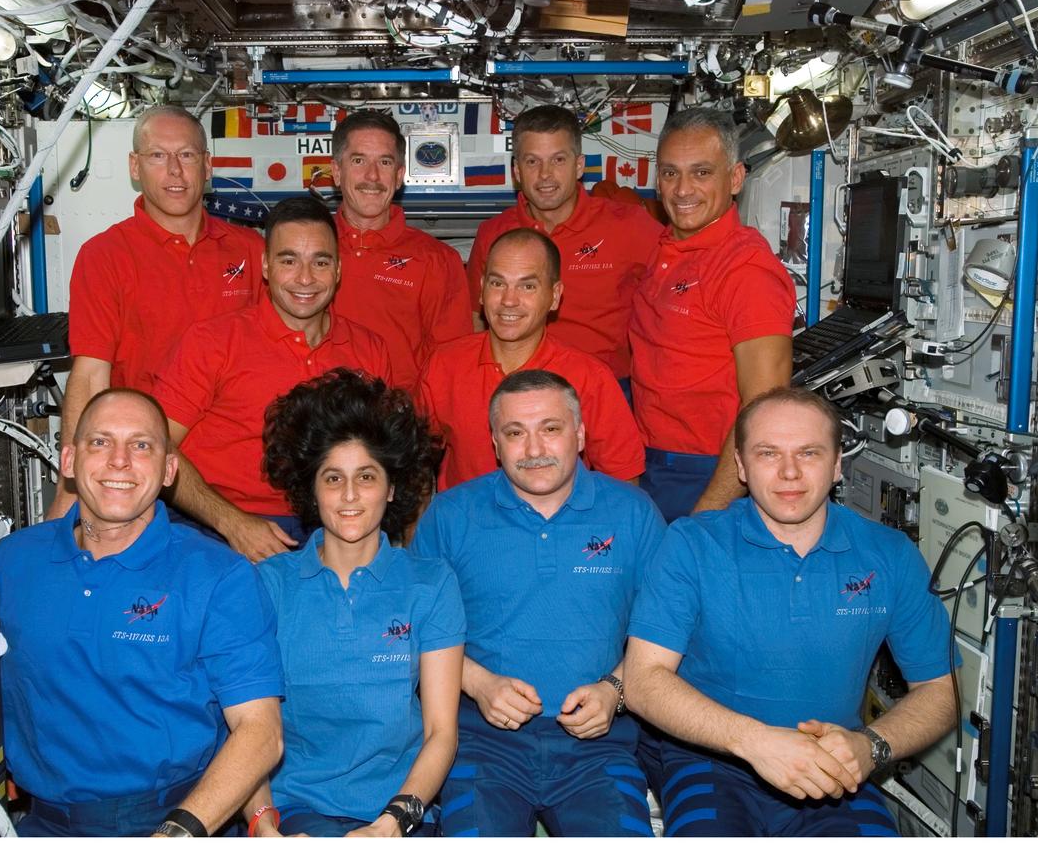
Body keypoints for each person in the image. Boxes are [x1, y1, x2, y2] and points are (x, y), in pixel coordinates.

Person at [0, 389, 283, 837]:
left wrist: (175, 835)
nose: (119, 461)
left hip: (180, 819)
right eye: (100, 442)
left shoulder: (219, 576)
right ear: (67, 462)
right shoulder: (13, 560)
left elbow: (260, 733)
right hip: (40, 825)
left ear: (169, 470)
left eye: (141, 445)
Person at [624, 387, 957, 837]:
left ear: (838, 464)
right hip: (712, 761)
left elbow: (941, 690)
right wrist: (756, 742)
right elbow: (644, 682)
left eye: (809, 453)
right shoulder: (692, 544)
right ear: (740, 465)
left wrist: (872, 745)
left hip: (832, 764)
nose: (789, 472)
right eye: (767, 453)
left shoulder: (889, 556)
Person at [410, 370, 666, 837]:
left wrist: (615, 689)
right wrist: (479, 682)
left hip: (600, 746)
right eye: (515, 433)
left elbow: (666, 634)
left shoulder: (633, 513)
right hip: (480, 745)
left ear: (581, 434)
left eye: (550, 428)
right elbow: (413, 631)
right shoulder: (450, 515)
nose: (533, 450)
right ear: (494, 442)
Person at [240, 369, 464, 838]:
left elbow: (442, 732)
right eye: (332, 478)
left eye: (366, 477)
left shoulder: (430, 583)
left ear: (392, 488)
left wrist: (392, 823)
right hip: (294, 810)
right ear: (311, 490)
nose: (348, 496)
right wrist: (265, 829)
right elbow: (245, 732)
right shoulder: (268, 585)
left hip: (402, 809)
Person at [49, 105, 266, 520]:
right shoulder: (105, 257)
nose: (175, 172)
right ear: (135, 166)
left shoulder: (251, 252)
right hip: (142, 479)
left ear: (207, 166)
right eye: (157, 156)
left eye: (186, 156)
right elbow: (91, 373)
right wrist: (71, 487)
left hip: (241, 481)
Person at [153, 197, 391, 561]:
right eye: (289, 260)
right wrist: (233, 523)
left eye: (321, 262)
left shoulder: (368, 350)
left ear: (338, 270)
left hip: (329, 527)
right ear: (265, 266)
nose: (306, 278)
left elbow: (381, 460)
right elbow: (156, 446)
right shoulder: (213, 343)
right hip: (214, 526)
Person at [629, 106, 796, 524]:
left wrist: (709, 512)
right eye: (670, 173)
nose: (682, 189)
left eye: (701, 173)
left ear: (735, 178)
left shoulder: (745, 270)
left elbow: (764, 408)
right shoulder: (666, 249)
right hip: (652, 465)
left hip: (710, 473)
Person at [418, 228, 643, 490]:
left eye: (527, 286)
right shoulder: (445, 365)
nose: (509, 300)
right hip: (466, 526)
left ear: (555, 296)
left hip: (559, 528)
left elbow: (624, 483)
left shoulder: (590, 378)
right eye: (498, 283)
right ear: (481, 290)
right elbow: (417, 463)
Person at [466, 104, 663, 392]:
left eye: (558, 160)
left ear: (579, 165)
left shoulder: (629, 225)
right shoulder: (493, 234)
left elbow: (680, 289)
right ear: (517, 171)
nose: (545, 175)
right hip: (517, 388)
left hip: (607, 386)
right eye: (532, 162)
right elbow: (476, 317)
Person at [328, 110, 473, 391]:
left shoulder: (437, 261)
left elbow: (452, 364)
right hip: (318, 424)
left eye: (384, 162)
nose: (372, 176)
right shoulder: (307, 252)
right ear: (336, 171)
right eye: (358, 160)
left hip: (399, 427)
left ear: (398, 176)